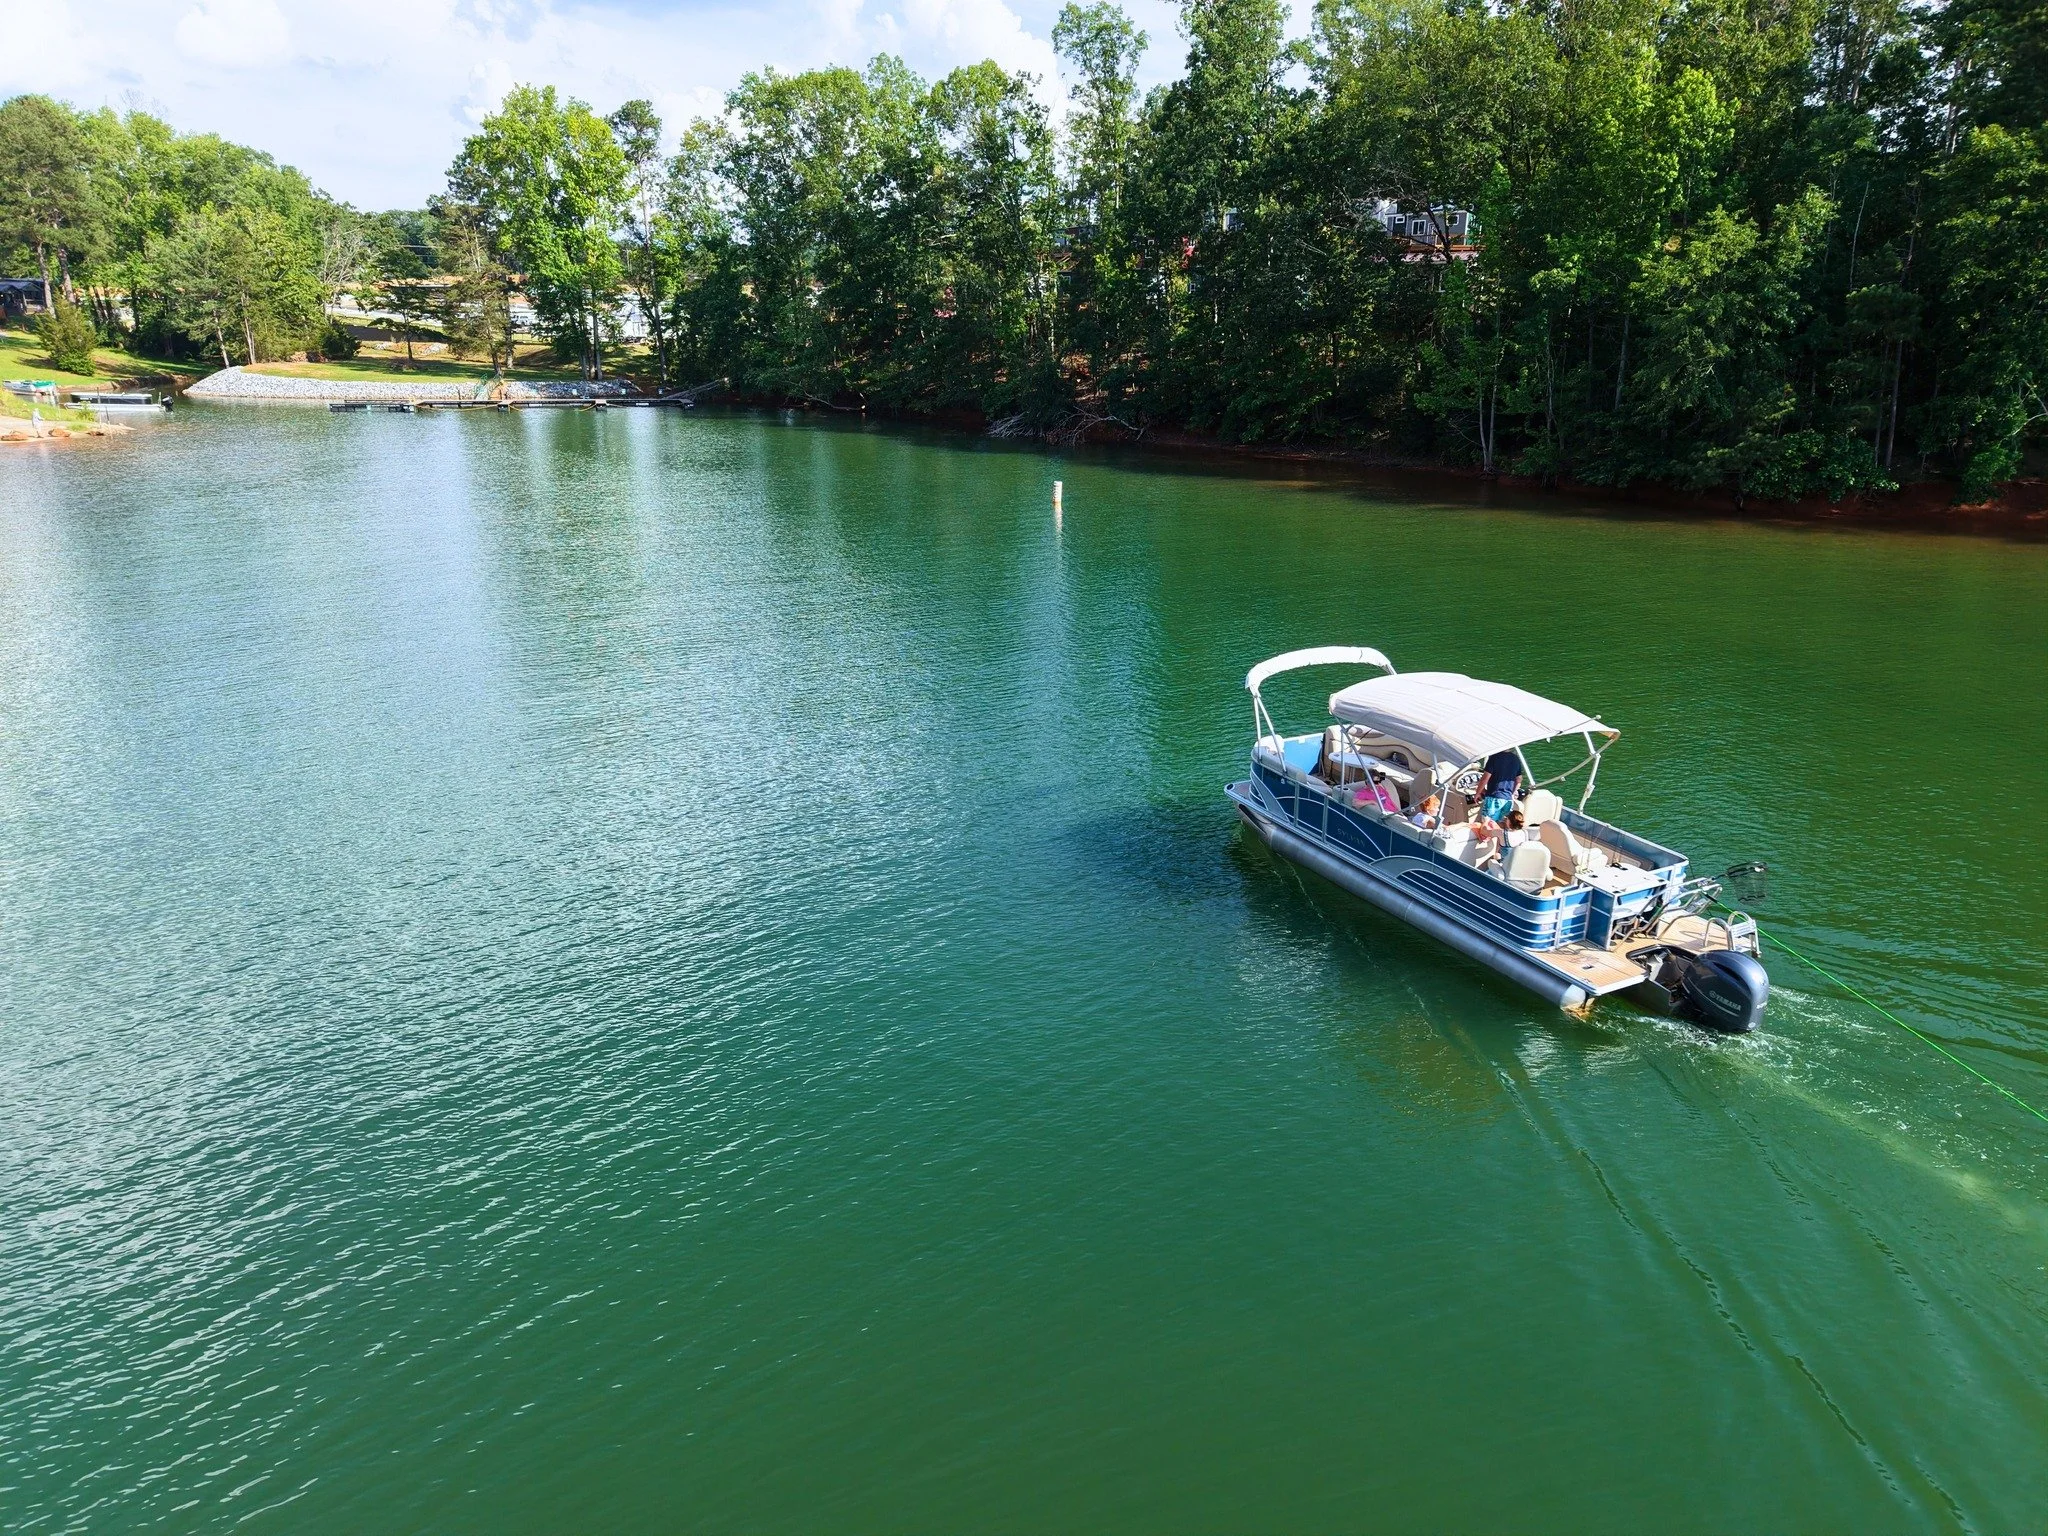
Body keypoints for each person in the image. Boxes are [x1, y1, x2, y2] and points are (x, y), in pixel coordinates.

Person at [1478, 747, 1524, 823]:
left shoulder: (1494, 758)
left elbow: (1485, 778)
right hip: (1508, 800)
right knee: (1502, 824)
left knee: (1487, 824)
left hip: (1493, 798)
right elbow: (1519, 779)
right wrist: (1512, 793)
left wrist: (1478, 793)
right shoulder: (1516, 759)